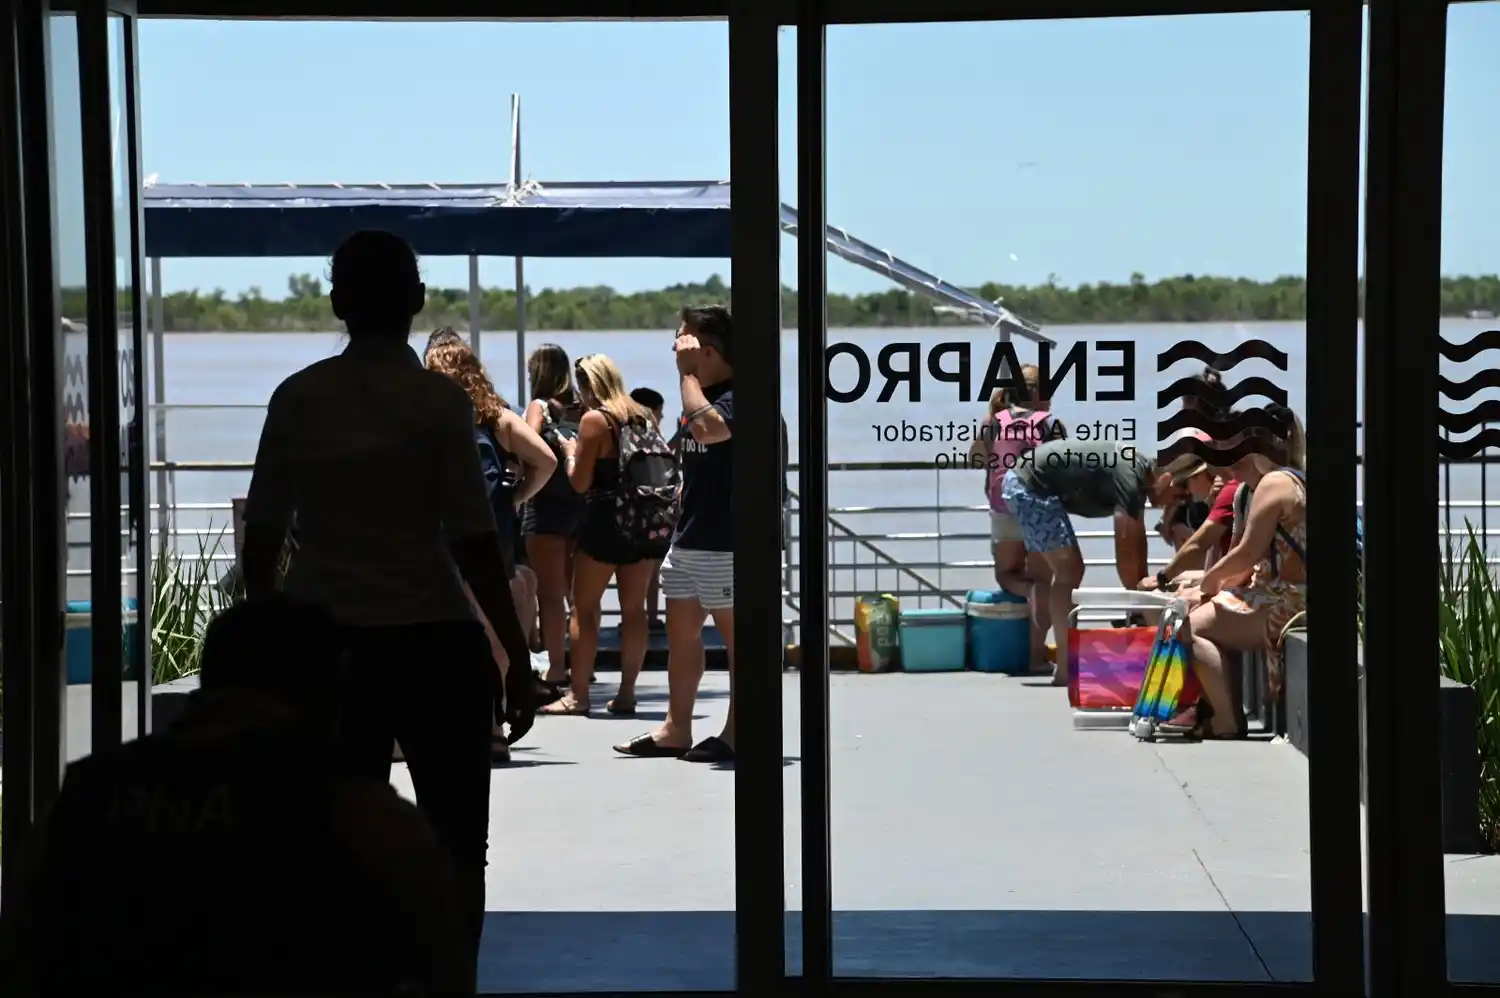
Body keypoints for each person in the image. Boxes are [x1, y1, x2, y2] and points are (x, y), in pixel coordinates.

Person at [238, 229, 534, 971]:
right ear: (418, 301)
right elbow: (473, 537)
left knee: (334, 835)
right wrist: (518, 655)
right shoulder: (439, 404)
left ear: (338, 301)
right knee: (458, 839)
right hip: (435, 638)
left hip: (324, 647)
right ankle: (449, 978)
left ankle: (349, 976)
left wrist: (264, 646)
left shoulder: (299, 397)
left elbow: (263, 536)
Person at [0, 597, 475, 997]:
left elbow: (25, 954)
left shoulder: (86, 797)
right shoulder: (363, 818)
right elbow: (442, 970)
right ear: (330, 694)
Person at [425, 327, 562, 750]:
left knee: (438, 629)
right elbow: (547, 460)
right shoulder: (497, 416)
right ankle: (493, 725)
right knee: (492, 630)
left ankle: (444, 722)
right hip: (491, 535)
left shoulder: (425, 415)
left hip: (438, 536)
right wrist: (516, 498)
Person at [616, 304, 739, 763]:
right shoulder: (697, 394)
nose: (675, 350)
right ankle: (676, 727)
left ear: (708, 350)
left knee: (738, 642)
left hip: (730, 543)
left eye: (683, 342)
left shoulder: (736, 395)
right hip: (689, 538)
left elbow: (709, 430)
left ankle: (738, 730)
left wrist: (687, 376)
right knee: (681, 635)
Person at [543, 357, 674, 716]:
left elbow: (579, 482)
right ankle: (628, 693)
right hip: (644, 521)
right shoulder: (642, 414)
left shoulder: (595, 420)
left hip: (604, 522)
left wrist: (570, 453)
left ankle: (579, 696)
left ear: (587, 385)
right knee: (634, 612)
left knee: (584, 610)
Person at [1178, 405, 1307, 739]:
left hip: (1291, 603)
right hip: (1294, 594)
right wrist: (1209, 587)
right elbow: (1243, 559)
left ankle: (1226, 719)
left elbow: (1246, 554)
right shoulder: (1295, 477)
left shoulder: (1274, 483)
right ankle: (1225, 712)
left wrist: (1207, 583)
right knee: (1203, 611)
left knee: (1189, 625)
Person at [998, 438, 1163, 687]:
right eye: (1179, 495)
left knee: (1057, 573)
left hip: (1032, 482)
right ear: (1167, 479)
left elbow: (1137, 542)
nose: (1175, 503)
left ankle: (1044, 651)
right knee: (1069, 571)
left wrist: (1140, 593)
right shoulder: (1131, 475)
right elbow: (1125, 541)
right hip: (1030, 486)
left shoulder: (1135, 473)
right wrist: (1139, 596)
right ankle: (1064, 667)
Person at [970, 363, 1064, 672]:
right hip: (1040, 510)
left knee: (1007, 574)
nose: (1051, 398)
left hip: (1004, 509)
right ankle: (1037, 658)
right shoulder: (1050, 423)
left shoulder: (994, 422)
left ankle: (1028, 593)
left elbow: (976, 458)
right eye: (1047, 391)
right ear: (1034, 393)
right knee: (1044, 581)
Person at [522, 343, 588, 688]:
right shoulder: (581, 409)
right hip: (580, 506)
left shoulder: (539, 407)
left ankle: (557, 668)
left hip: (545, 509)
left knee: (548, 596)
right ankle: (582, 665)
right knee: (577, 597)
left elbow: (527, 446)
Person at [631, 385, 669, 631]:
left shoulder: (627, 436)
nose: (662, 418)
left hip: (635, 510)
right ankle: (649, 617)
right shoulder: (648, 437)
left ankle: (647, 616)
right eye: (659, 412)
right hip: (648, 510)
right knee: (650, 570)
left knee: (647, 571)